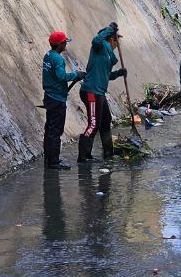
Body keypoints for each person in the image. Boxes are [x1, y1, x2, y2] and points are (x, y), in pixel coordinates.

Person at [79, 22, 127, 162]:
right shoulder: (99, 47)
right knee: (94, 124)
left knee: (106, 121)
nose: (117, 45)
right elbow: (96, 39)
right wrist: (110, 29)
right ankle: (83, 156)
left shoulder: (107, 55)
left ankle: (108, 152)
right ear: (111, 39)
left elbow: (106, 75)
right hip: (91, 92)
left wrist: (118, 73)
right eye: (116, 41)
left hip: (99, 93)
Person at [42, 31, 85, 170]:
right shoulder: (58, 59)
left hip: (49, 96)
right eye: (64, 42)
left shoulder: (48, 55)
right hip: (56, 99)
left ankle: (48, 159)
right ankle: (54, 163)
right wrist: (75, 74)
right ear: (59, 44)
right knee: (55, 130)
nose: (66, 44)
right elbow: (61, 76)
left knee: (49, 129)